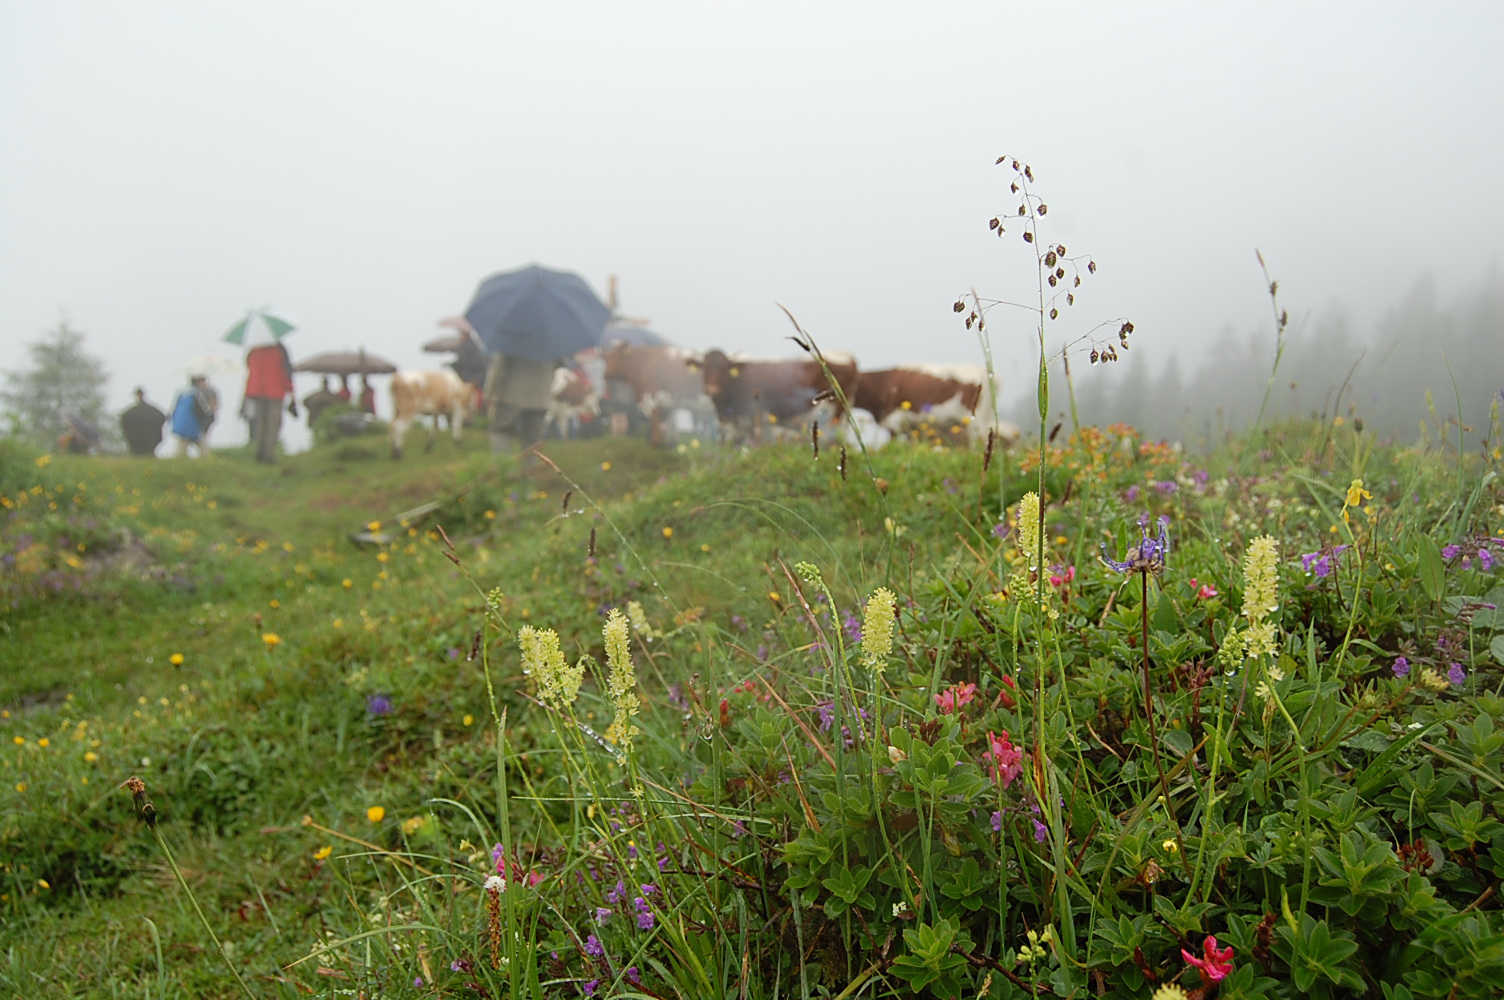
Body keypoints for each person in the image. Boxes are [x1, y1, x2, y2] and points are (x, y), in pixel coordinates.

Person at [483, 351, 555, 454]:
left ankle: (504, 467)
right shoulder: (551, 342)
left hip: (510, 397)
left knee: (501, 432)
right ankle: (530, 469)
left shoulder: (512, 339)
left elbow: (498, 366)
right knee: (532, 442)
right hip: (540, 399)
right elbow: (557, 366)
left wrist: (488, 393)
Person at [243, 342, 297, 463]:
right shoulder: (279, 349)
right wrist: (291, 391)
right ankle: (268, 454)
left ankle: (260, 453)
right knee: (273, 423)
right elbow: (286, 371)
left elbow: (248, 365)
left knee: (260, 422)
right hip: (275, 391)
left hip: (256, 391)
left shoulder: (253, 350)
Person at [171, 375, 214, 457]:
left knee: (180, 450)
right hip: (193, 427)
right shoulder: (197, 395)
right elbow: (205, 412)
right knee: (204, 450)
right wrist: (212, 413)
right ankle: (208, 463)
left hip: (181, 426)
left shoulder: (182, 394)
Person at [120, 388, 167, 456]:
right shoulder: (153, 411)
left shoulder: (130, 413)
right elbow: (162, 418)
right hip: (148, 442)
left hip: (141, 442)